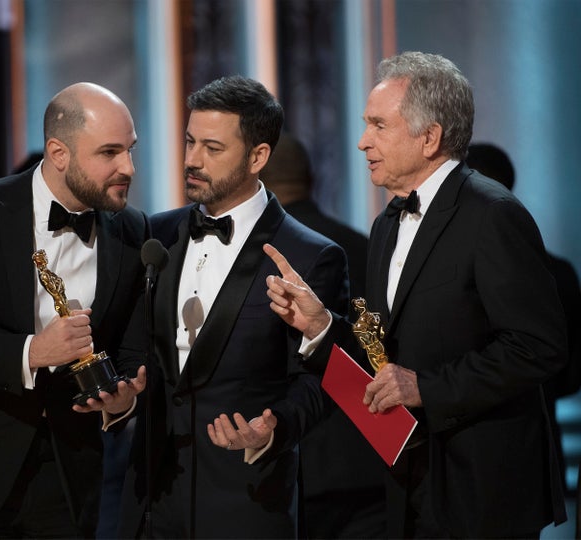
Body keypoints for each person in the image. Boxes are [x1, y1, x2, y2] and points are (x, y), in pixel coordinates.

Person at [264, 51, 568, 538]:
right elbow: (383, 352)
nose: (363, 142)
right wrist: (321, 325)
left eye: (379, 126)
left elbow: (538, 347)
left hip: (483, 491)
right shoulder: (386, 224)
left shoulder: (493, 215)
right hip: (408, 479)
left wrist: (425, 387)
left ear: (429, 138)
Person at [107, 75, 349, 539]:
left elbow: (324, 380)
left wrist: (276, 428)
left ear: (258, 156)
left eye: (212, 148)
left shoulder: (310, 254)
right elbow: (138, 354)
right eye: (190, 141)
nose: (191, 160)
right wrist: (122, 397)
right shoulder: (155, 236)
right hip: (149, 505)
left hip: (246, 505)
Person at [0, 82, 149, 538]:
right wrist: (32, 352)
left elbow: (130, 354)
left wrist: (123, 400)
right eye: (109, 153)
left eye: (131, 150)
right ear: (59, 152)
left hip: (69, 484)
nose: (128, 168)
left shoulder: (131, 229)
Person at [262, 132, 385, 538]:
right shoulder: (367, 247)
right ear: (312, 178)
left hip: (297, 465)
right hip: (372, 457)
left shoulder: (259, 259)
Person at [466, 142, 581, 496]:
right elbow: (571, 373)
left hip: (471, 449)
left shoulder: (458, 273)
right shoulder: (559, 270)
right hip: (535, 441)